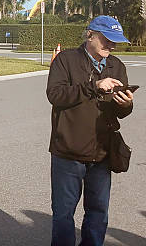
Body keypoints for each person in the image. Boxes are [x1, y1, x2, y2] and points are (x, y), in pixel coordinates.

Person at [46, 15, 134, 246]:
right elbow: (55, 95)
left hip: (102, 153)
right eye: (107, 39)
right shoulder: (66, 60)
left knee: (98, 212)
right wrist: (92, 86)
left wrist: (125, 104)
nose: (111, 45)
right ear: (90, 35)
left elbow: (119, 112)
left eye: (115, 41)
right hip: (68, 151)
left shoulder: (116, 65)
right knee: (63, 214)